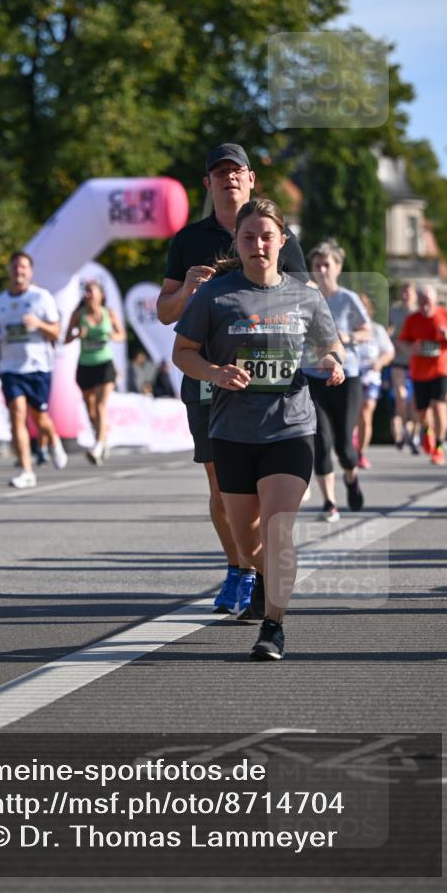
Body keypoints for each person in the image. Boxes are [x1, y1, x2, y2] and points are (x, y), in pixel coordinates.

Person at [173, 199, 345, 660]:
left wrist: (332, 363)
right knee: (248, 540)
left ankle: (273, 627)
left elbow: (331, 346)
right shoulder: (215, 295)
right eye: (248, 237)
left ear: (282, 241)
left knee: (278, 529)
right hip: (232, 430)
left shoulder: (305, 296)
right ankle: (260, 576)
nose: (258, 244)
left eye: (267, 236)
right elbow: (182, 352)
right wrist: (215, 372)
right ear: (237, 242)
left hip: (291, 427)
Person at [157, 143, 309, 618]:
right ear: (208, 184)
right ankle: (240, 567)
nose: (229, 179)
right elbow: (164, 313)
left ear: (251, 179)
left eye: (236, 171)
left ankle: (263, 569)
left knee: (265, 484)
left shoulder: (279, 235)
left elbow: (306, 302)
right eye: (219, 173)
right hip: (207, 376)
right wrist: (188, 290)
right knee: (222, 484)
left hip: (270, 381)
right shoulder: (188, 240)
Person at [0, 252, 68, 488]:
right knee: (17, 414)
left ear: (30, 272)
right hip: (10, 369)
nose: (18, 271)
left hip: (38, 367)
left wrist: (38, 324)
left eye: (23, 267)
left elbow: (56, 332)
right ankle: (26, 470)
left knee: (40, 418)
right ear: (9, 271)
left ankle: (53, 439)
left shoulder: (41, 297)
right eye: (14, 267)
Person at [304, 240, 370, 522]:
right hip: (312, 375)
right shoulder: (305, 298)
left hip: (346, 376)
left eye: (326, 265)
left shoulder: (348, 298)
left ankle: (351, 477)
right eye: (317, 265)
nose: (321, 270)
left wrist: (348, 337)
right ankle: (329, 502)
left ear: (338, 268)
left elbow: (367, 330)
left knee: (344, 445)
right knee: (321, 440)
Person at [398, 285, 447, 465]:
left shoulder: (446, 315)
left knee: (439, 405)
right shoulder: (412, 320)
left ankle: (439, 448)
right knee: (422, 413)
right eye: (422, 302)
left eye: (428, 302)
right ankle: (427, 432)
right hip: (419, 372)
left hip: (442, 368)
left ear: (435, 301)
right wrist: (412, 349)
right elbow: (402, 342)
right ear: (417, 302)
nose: (425, 305)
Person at [64, 279, 125, 464]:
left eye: (91, 291)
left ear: (101, 295)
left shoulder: (109, 313)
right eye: (86, 291)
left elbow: (122, 335)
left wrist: (112, 336)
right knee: (91, 411)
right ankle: (102, 438)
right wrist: (77, 334)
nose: (87, 294)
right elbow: (65, 339)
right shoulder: (78, 314)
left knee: (100, 406)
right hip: (85, 365)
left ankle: (97, 447)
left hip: (105, 364)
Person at [355, 293, 395, 469]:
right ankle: (352, 439)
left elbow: (389, 352)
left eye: (363, 307)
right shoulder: (345, 328)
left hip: (371, 377)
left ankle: (361, 453)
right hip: (351, 376)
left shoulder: (377, 329)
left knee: (366, 412)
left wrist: (379, 363)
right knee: (353, 414)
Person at [387, 282, 419, 453]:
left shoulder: (419, 313)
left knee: (415, 403)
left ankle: (413, 434)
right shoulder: (394, 311)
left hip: (417, 361)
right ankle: (405, 427)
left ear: (415, 295)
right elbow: (386, 332)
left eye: (409, 292)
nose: (406, 295)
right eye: (403, 292)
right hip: (398, 360)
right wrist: (390, 341)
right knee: (401, 396)